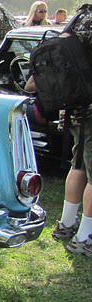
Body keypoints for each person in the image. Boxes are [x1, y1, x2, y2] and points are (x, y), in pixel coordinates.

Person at [25, 77, 92, 256]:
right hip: (90, 112)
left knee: (78, 165)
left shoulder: (72, 47)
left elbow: (31, 83)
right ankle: (85, 237)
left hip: (73, 112)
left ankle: (67, 224)